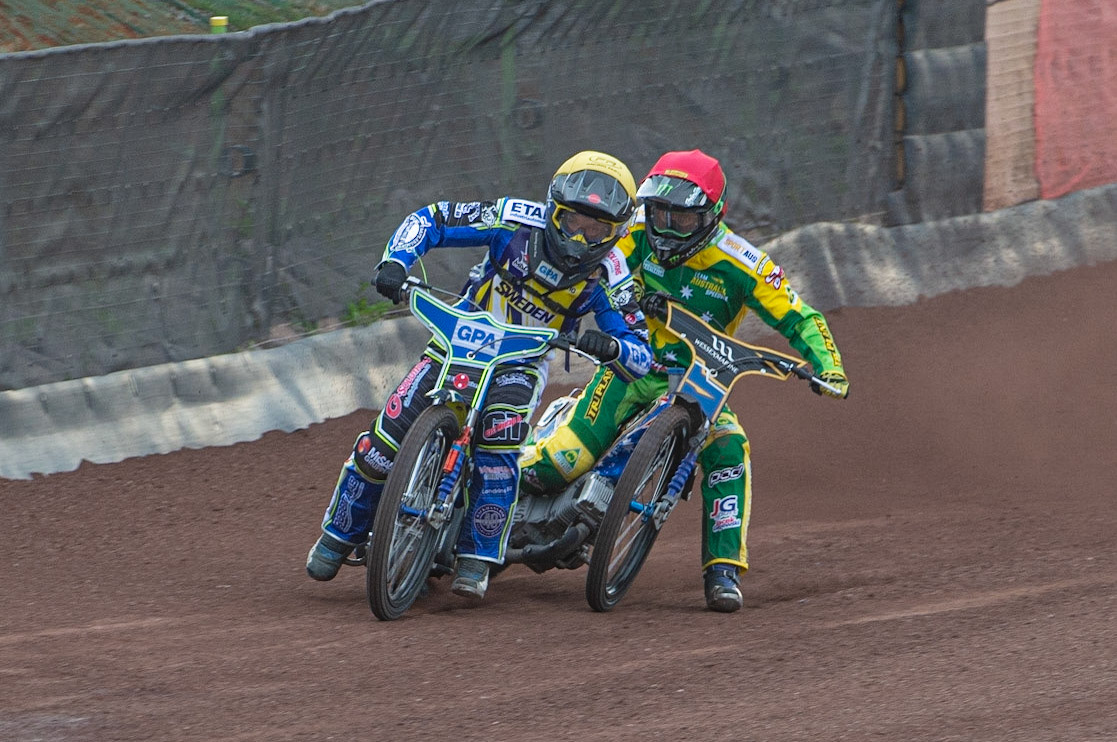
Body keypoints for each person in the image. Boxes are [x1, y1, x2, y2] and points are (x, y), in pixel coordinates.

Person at [306, 151, 653, 602]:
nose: (580, 237)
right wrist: (396, 261)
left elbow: (641, 352)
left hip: (523, 361)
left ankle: (477, 556)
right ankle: (337, 535)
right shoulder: (511, 219)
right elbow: (433, 218)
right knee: (385, 438)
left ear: (618, 233)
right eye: (572, 221)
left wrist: (614, 346)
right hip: (459, 339)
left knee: (497, 447)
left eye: (597, 229)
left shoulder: (612, 275)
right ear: (552, 210)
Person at [519, 149, 849, 612]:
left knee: (730, 447)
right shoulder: (633, 232)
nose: (667, 227)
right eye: (659, 212)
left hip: (702, 382)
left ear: (714, 216)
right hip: (631, 367)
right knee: (559, 462)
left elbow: (801, 316)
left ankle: (723, 570)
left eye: (682, 218)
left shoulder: (745, 262)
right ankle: (475, 496)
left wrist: (827, 365)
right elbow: (589, 268)